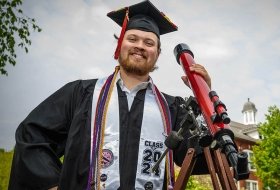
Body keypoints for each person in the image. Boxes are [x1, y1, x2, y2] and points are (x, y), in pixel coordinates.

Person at [9, 1, 211, 189]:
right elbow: (32, 136)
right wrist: (51, 184)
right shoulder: (80, 94)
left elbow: (203, 156)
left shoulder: (172, 108)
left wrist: (206, 100)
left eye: (149, 43)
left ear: (157, 53)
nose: (140, 46)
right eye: (132, 39)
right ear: (120, 45)